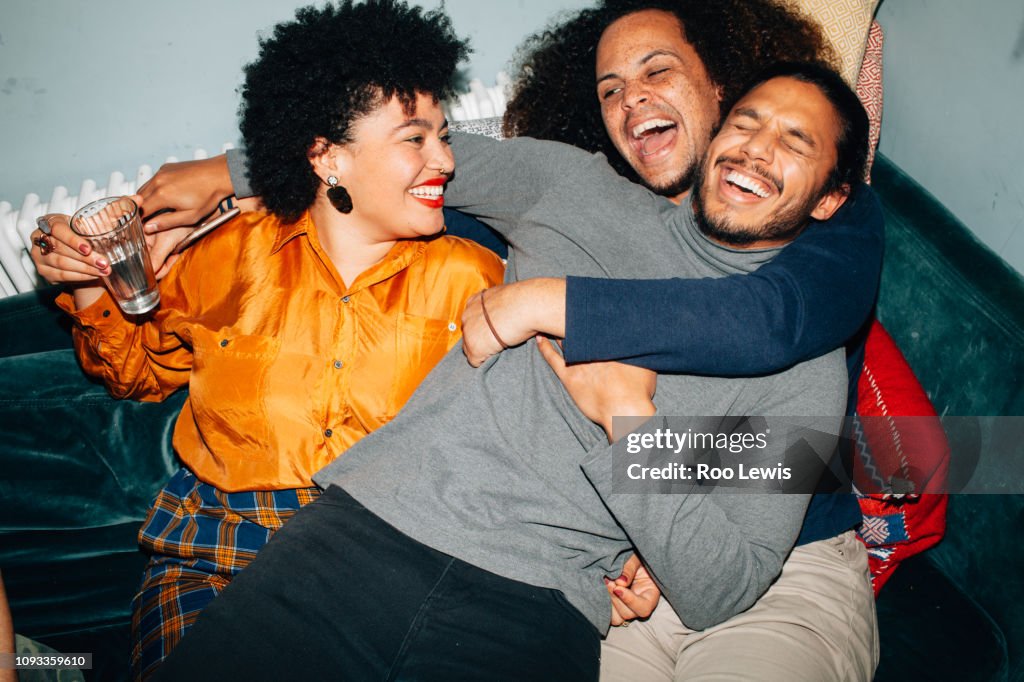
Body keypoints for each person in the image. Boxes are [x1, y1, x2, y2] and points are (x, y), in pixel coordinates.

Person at [151, 62, 870, 681]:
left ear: (832, 199)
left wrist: (629, 422)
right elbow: (387, 149)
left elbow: (724, 585)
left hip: (538, 604)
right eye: (746, 123)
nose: (754, 150)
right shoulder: (574, 186)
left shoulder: (804, 364)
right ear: (715, 132)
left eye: (794, 141)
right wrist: (225, 171)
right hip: (363, 532)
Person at [26, 2, 503, 679]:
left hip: (386, 557)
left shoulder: (470, 275)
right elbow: (136, 374)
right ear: (327, 157)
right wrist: (85, 281)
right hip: (219, 559)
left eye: (443, 136)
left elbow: (532, 425)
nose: (447, 160)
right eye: (416, 138)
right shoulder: (230, 254)